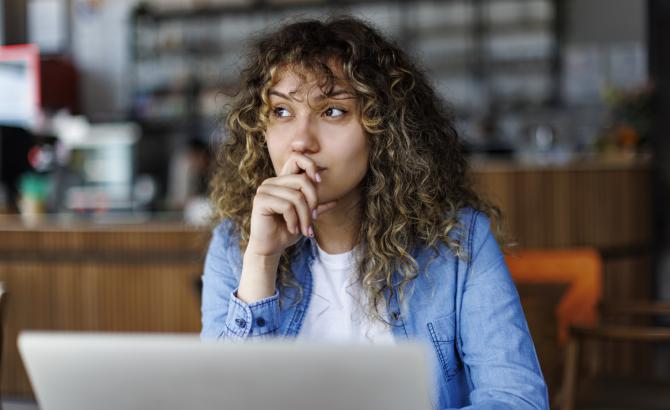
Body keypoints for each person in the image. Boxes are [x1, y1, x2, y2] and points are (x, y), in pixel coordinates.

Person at [201, 16, 549, 409]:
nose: (300, 141)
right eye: (281, 111)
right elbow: (222, 400)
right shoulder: (237, 246)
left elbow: (515, 399)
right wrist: (262, 262)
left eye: (332, 111)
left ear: (382, 129)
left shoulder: (459, 241)